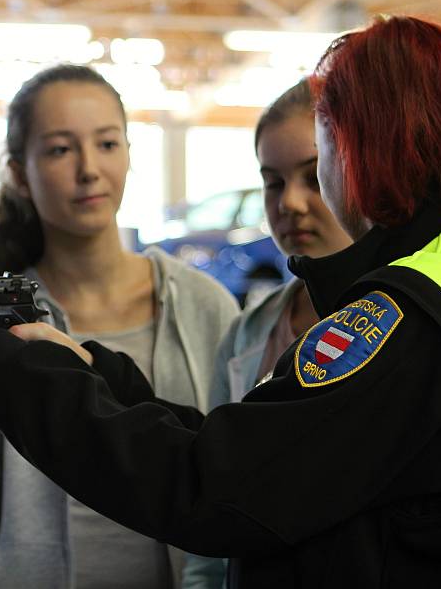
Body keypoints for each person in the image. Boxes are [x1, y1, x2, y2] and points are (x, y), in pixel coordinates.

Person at [0, 16, 441, 589]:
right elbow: (262, 450)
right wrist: (91, 370)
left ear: (361, 145)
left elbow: (214, 487)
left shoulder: (409, 315)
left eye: (323, 144)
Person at [0, 64, 239, 589]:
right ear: (19, 173)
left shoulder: (203, 305)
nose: (89, 169)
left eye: (107, 144)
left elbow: (234, 478)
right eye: (59, 149)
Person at [181, 79, 351, 589]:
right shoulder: (247, 335)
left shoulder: (402, 330)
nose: (291, 202)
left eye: (314, 177)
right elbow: (211, 503)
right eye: (273, 182)